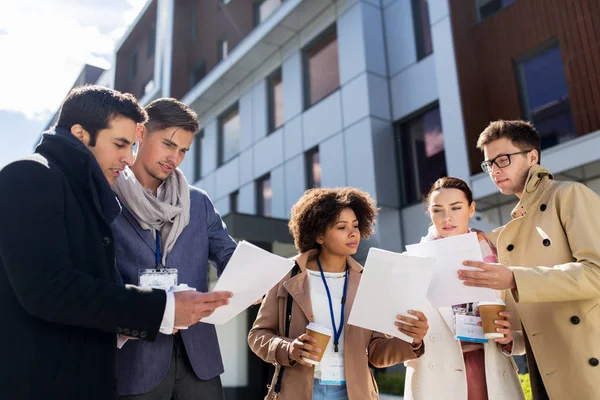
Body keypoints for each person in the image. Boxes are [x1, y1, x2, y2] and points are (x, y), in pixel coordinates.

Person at [0, 86, 232, 400]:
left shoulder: (193, 202)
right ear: (81, 134)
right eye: (121, 144)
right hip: (97, 371)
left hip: (187, 358)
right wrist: (162, 307)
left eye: (183, 151)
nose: (127, 157)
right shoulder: (40, 178)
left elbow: (80, 285)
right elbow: (52, 289)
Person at [458, 120, 600, 400]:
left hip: (585, 359)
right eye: (489, 165)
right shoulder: (515, 225)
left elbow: (596, 273)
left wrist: (514, 278)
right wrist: (513, 340)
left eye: (503, 159)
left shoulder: (569, 195)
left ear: (532, 157)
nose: (495, 170)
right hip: (543, 368)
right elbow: (530, 321)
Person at [248, 187, 429, 400]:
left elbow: (377, 352)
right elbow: (258, 335)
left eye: (355, 225)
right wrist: (289, 349)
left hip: (354, 392)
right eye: (342, 227)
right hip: (298, 391)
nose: (353, 233)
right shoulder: (287, 275)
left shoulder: (367, 282)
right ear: (318, 235)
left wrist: (412, 340)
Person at [111, 97, 238, 400]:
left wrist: (252, 278)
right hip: (136, 360)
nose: (175, 158)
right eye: (169, 144)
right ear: (140, 134)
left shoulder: (198, 202)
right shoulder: (108, 198)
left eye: (183, 150)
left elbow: (228, 255)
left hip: (199, 359)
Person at [404, 177, 525, 400]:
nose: (446, 218)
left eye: (456, 208)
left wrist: (510, 340)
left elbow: (523, 332)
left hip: (492, 373)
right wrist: (411, 338)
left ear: (471, 209)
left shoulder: (498, 258)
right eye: (437, 210)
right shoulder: (412, 262)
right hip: (436, 377)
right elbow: (395, 333)